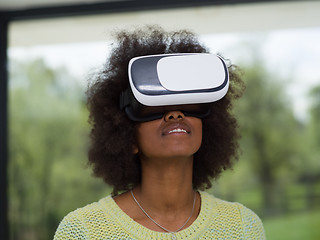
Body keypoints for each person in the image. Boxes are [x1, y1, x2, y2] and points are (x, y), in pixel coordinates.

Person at [54, 25, 265, 239]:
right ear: (127, 137)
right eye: (153, 106)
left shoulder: (242, 226)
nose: (175, 114)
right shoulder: (84, 231)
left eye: (189, 103)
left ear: (208, 126)